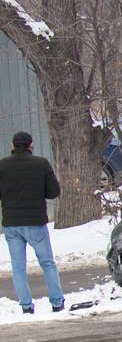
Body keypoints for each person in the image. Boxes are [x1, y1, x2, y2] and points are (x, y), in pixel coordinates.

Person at [0, 131, 65, 314]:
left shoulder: (2, 166)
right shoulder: (41, 164)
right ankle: (57, 303)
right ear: (31, 145)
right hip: (36, 222)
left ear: (13, 146)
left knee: (18, 266)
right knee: (47, 263)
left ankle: (27, 306)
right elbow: (53, 192)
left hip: (12, 224)